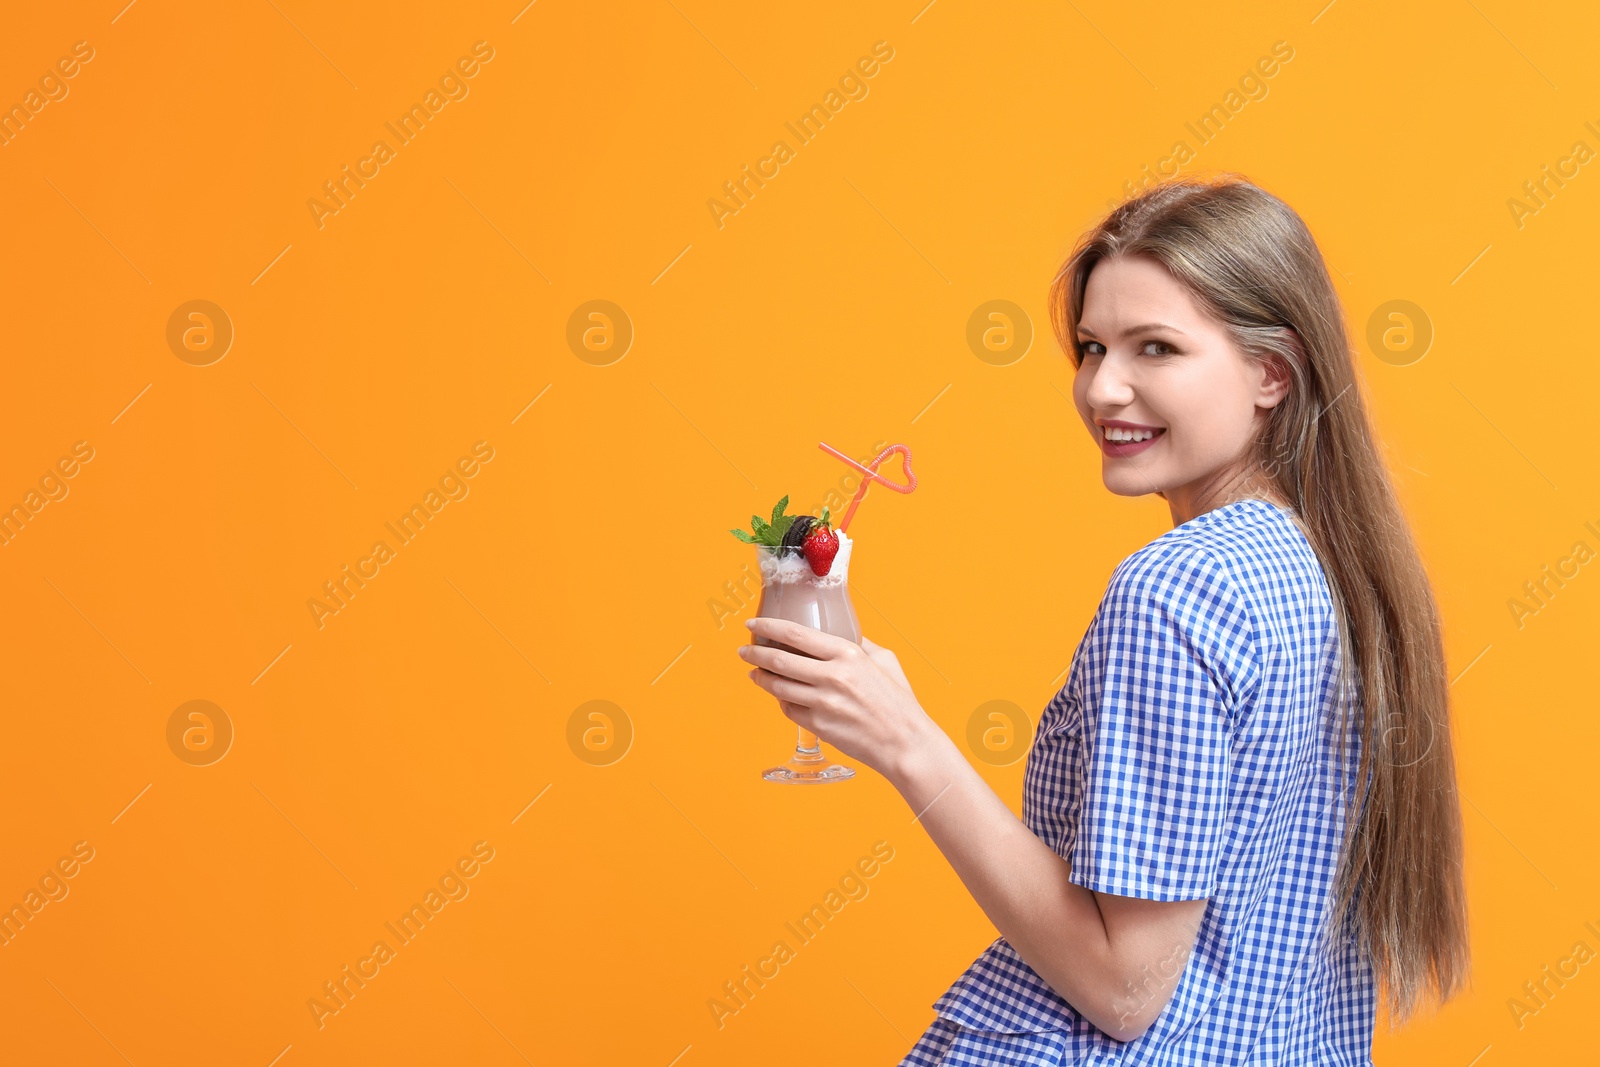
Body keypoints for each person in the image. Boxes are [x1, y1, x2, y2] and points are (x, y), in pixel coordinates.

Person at [738, 173, 1470, 1065]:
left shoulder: (1177, 588)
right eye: (1091, 348)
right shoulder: (1337, 567)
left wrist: (906, 741)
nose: (1102, 389)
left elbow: (1126, 988)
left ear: (1272, 371)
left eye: (1155, 348)